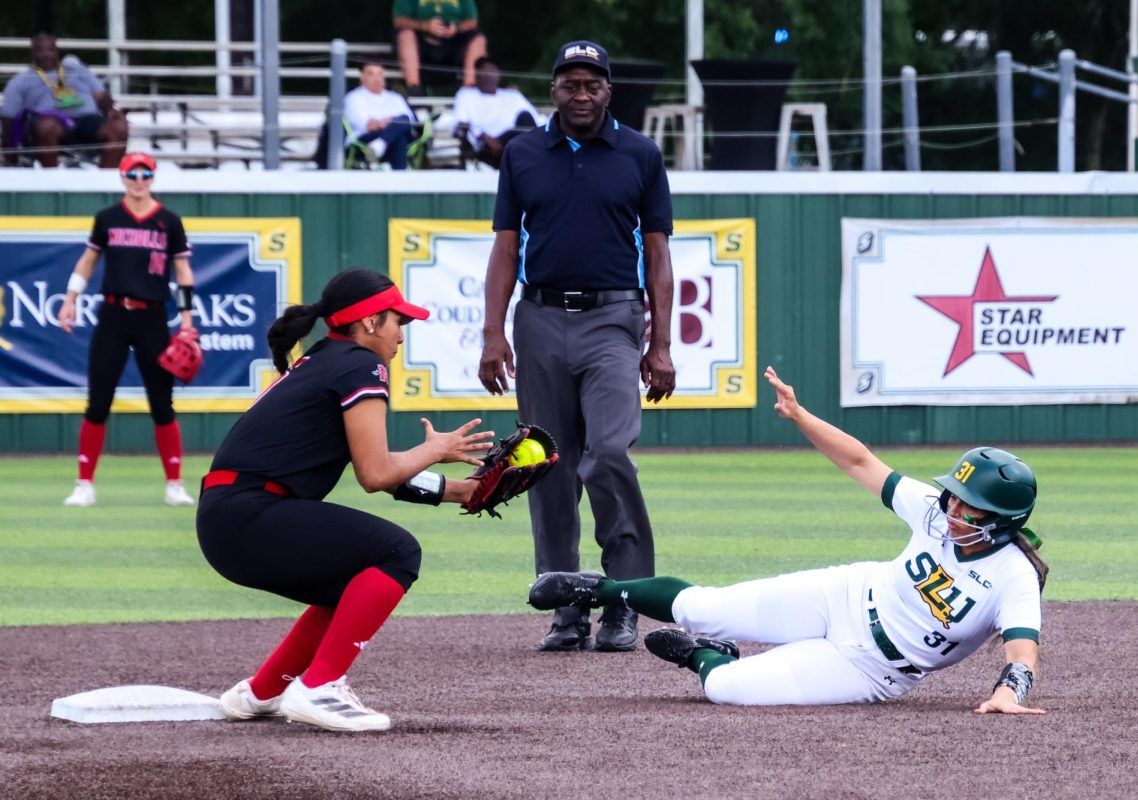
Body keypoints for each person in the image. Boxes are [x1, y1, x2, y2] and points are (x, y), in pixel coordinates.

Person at [529, 366, 1049, 713]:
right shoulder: (936, 515)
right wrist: (800, 416)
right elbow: (860, 460)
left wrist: (1010, 690)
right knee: (704, 604)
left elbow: (1022, 649)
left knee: (725, 688)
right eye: (953, 495)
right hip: (846, 594)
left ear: (1002, 519)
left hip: (872, 669)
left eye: (968, 504)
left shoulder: (1013, 575)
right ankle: (598, 589)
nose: (952, 507)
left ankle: (700, 655)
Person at [198, 267, 495, 732]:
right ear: (371, 322)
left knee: (354, 573)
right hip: (250, 514)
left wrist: (461, 492)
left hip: (231, 517)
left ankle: (263, 691)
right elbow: (376, 474)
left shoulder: (327, 358)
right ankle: (319, 687)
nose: (402, 336)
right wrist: (436, 449)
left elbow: (376, 470)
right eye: (399, 322)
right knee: (397, 552)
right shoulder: (360, 363)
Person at [478, 40, 676, 653]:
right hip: (537, 317)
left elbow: (661, 255)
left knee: (610, 450)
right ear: (554, 89)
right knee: (544, 462)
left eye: (593, 83)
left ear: (608, 91)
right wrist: (492, 334)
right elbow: (506, 248)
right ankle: (564, 606)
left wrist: (661, 344)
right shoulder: (523, 153)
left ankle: (623, 599)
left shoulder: (639, 153)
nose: (582, 93)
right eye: (570, 83)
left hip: (614, 316)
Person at [58, 152, 197, 508]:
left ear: (153, 177)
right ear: (122, 177)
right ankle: (84, 483)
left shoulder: (168, 220)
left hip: (152, 316)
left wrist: (186, 321)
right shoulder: (108, 218)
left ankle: (175, 484)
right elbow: (88, 261)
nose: (139, 180)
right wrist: (70, 298)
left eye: (145, 173)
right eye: (132, 173)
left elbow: (182, 272)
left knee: (161, 404)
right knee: (99, 401)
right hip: (114, 315)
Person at [1, 32, 128, 168]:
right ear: (33, 53)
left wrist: (110, 110)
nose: (46, 54)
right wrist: (10, 158)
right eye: (40, 50)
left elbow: (101, 96)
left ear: (56, 51)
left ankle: (104, 180)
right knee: (47, 126)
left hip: (87, 119)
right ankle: (52, 180)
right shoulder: (21, 80)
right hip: (50, 123)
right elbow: (9, 119)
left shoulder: (79, 71)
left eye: (50, 49)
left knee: (118, 126)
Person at [450, 56, 539, 168]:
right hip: (487, 146)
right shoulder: (466, 94)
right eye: (484, 70)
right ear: (477, 75)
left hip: (516, 140)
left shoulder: (512, 95)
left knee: (525, 118)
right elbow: (461, 124)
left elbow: (536, 120)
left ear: (499, 75)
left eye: (492, 70)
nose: (488, 75)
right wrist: (484, 137)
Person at [393, 0, 487, 95]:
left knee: (478, 40)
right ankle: (414, 88)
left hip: (453, 44)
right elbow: (399, 20)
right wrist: (424, 26)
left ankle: (469, 91)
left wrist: (457, 28)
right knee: (405, 35)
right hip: (420, 43)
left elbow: (472, 21)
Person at [343, 61, 418, 170]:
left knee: (402, 127)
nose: (376, 78)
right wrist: (391, 122)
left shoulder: (395, 97)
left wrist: (386, 124)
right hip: (365, 140)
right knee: (399, 134)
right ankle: (400, 179)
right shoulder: (353, 97)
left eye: (379, 74)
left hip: (381, 144)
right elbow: (369, 125)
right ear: (361, 76)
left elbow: (409, 121)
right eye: (371, 74)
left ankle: (380, 144)